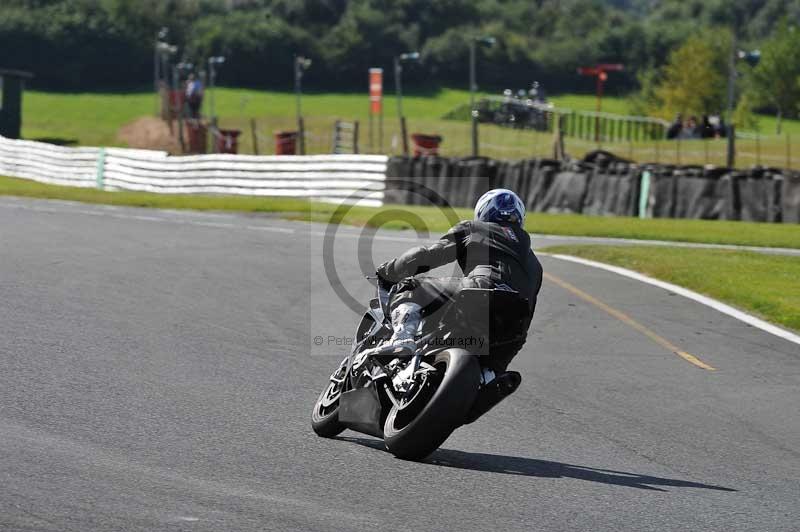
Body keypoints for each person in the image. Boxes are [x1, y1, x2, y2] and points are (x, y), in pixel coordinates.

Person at [376, 189, 543, 410]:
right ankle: (488, 378)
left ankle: (402, 338)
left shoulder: (474, 228)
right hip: (514, 322)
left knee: (412, 287)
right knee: (491, 369)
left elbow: (425, 256)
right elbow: (529, 308)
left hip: (478, 291)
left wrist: (389, 270)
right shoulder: (535, 264)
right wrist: (503, 361)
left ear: (483, 212)